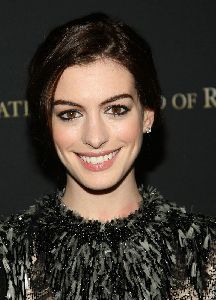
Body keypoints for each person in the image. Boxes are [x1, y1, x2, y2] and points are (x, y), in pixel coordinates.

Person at [0, 12, 215, 300]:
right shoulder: (9, 254)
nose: (95, 137)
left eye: (116, 109)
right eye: (70, 114)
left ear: (147, 116)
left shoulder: (204, 250)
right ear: (48, 125)